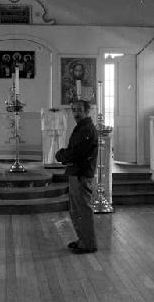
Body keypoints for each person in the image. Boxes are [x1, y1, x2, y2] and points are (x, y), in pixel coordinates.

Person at [56, 100, 98, 254]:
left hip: (81, 174)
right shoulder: (81, 128)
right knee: (76, 210)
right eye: (73, 110)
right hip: (76, 172)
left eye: (79, 110)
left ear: (87, 111)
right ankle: (83, 239)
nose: (76, 113)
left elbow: (77, 153)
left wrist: (61, 155)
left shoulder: (86, 129)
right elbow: (74, 150)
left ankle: (88, 243)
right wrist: (64, 154)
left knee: (82, 210)